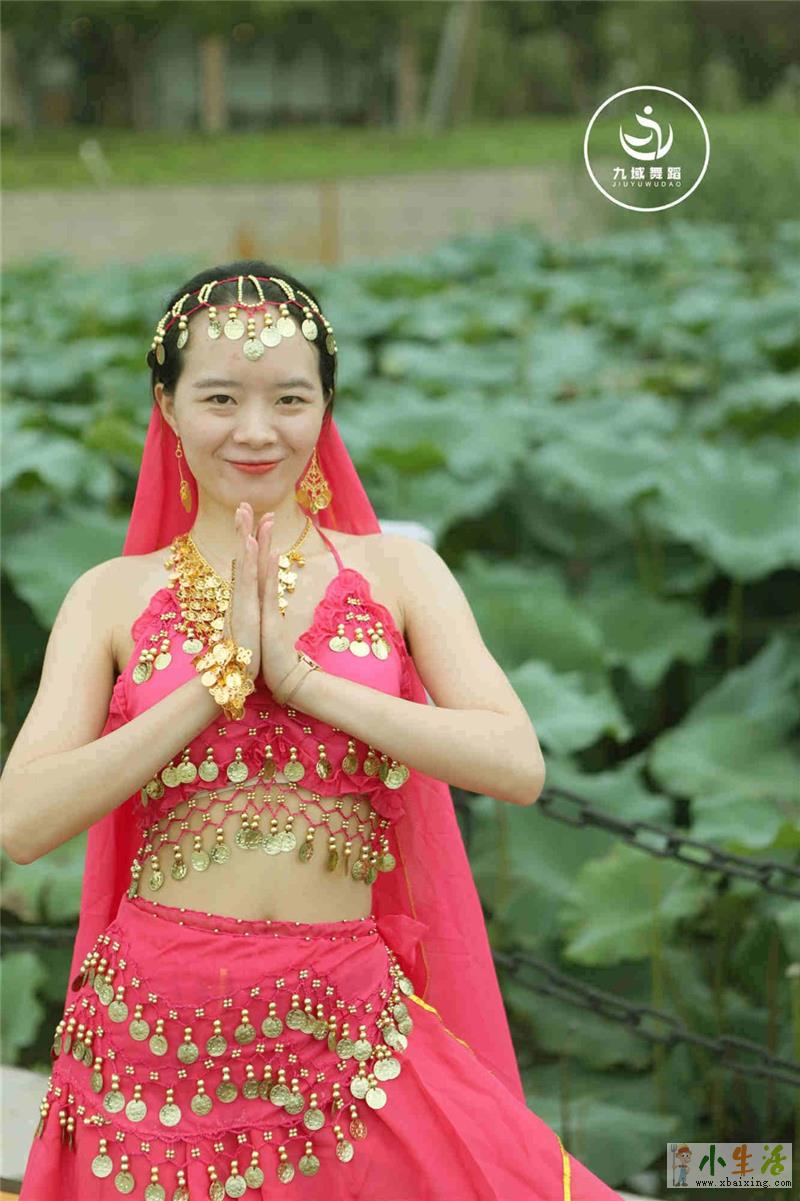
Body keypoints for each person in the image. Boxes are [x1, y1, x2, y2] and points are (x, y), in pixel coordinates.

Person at [5, 262, 622, 1200]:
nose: (257, 430)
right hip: (155, 1046)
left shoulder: (399, 573)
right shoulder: (109, 596)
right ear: (166, 406)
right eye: (220, 397)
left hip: (349, 1029)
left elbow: (514, 761)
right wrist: (210, 689)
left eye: (290, 399)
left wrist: (305, 684)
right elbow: (22, 822)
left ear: (325, 407)